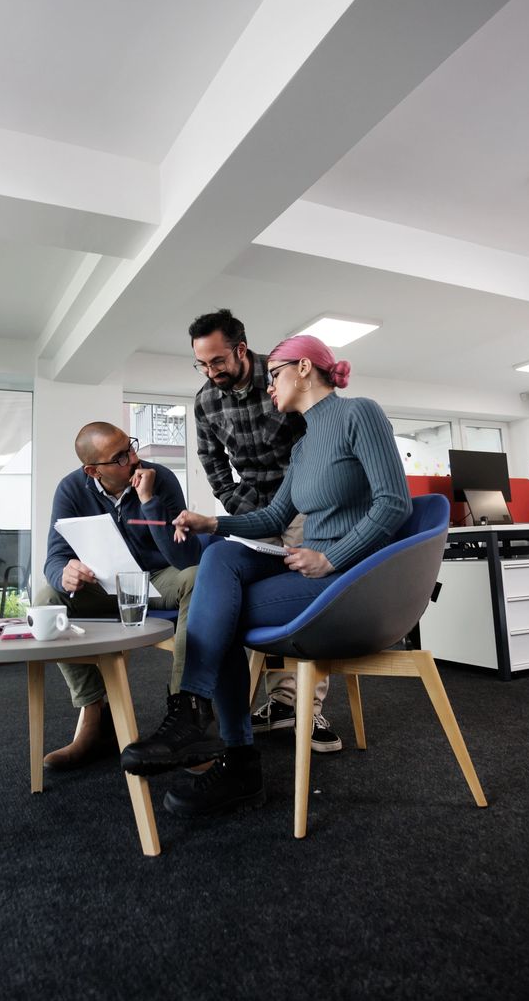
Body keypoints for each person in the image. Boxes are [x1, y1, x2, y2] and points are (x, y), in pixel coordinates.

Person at [120, 336, 412, 817]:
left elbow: (394, 503)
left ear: (302, 368)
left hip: (349, 579)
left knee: (221, 612)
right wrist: (212, 523)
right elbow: (274, 517)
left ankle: (232, 755)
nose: (267, 383)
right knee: (219, 559)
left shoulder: (360, 413)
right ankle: (196, 712)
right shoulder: (303, 445)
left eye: (273, 374)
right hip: (311, 566)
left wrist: (333, 557)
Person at [188, 308, 341, 753]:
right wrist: (234, 503)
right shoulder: (206, 401)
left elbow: (319, 432)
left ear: (240, 349)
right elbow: (211, 458)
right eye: (201, 364)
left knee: (304, 597)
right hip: (254, 506)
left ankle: (308, 711)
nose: (210, 371)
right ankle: (280, 702)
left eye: (217, 361)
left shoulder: (283, 375)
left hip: (302, 502)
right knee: (256, 603)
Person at [42, 422, 203, 769]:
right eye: (120, 457)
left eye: (130, 447)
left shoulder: (159, 478)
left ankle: (185, 712)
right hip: (103, 583)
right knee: (47, 596)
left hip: (157, 579)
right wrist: (65, 572)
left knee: (196, 577)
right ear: (92, 470)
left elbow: (185, 557)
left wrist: (148, 502)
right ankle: (94, 714)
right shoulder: (71, 489)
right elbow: (54, 558)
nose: (133, 458)